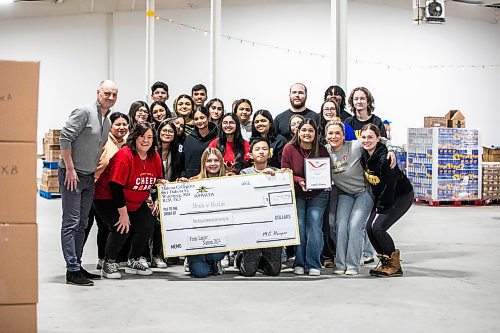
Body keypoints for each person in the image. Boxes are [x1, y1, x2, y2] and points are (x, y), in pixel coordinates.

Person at [59, 80, 117, 286]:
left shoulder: (107, 122)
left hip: (88, 177)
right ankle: (72, 269)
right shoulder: (84, 112)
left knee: (83, 223)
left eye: (114, 95)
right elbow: (65, 138)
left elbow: (98, 148)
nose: (110, 97)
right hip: (71, 175)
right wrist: (71, 169)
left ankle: (77, 264)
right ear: (98, 92)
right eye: (106, 93)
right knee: (71, 222)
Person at [93, 122, 164, 279]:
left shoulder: (154, 156)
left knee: (147, 226)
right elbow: (115, 186)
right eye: (142, 136)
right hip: (108, 197)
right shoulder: (125, 155)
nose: (145, 140)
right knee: (121, 227)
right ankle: (108, 262)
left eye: (149, 137)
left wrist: (158, 196)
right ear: (134, 137)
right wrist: (123, 214)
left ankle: (134, 259)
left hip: (135, 199)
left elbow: (157, 180)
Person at [360, 124, 413, 277]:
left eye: (370, 137)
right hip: (382, 195)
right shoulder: (364, 154)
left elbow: (389, 188)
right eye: (363, 137)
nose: (366, 140)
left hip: (400, 195)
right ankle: (385, 263)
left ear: (378, 139)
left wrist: (380, 210)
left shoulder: (386, 159)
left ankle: (395, 266)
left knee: (378, 227)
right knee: (369, 228)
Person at [281, 119, 329, 276]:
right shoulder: (289, 149)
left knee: (314, 227)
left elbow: (326, 172)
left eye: (311, 130)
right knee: (300, 227)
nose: (307, 133)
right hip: (298, 193)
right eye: (304, 130)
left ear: (316, 133)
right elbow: (285, 171)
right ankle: (299, 263)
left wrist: (327, 180)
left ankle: (313, 263)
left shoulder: (321, 150)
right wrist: (299, 181)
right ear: (298, 132)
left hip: (318, 194)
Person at [83, 112, 129, 270]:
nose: (121, 127)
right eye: (118, 124)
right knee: (87, 226)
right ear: (111, 127)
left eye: (124, 124)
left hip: (112, 193)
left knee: (105, 227)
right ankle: (76, 263)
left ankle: (103, 258)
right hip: (94, 190)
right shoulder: (103, 141)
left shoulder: (126, 144)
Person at [235, 138, 283, 277]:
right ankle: (240, 257)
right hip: (251, 226)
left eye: (264, 149)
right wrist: (262, 179)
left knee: (274, 271)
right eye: (257, 149)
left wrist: (279, 177)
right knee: (249, 271)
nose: (261, 152)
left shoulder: (278, 172)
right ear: (250, 155)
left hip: (272, 226)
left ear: (270, 153)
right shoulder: (245, 173)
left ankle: (261, 260)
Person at [183, 147, 227, 278]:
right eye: (209, 161)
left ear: (221, 162)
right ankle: (193, 258)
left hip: (217, 233)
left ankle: (214, 261)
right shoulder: (194, 181)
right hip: (197, 235)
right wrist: (181, 186)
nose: (212, 164)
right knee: (201, 273)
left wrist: (267, 174)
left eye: (216, 160)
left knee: (215, 255)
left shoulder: (230, 180)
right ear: (203, 163)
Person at [183, 106, 218, 178]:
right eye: (196, 119)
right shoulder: (189, 139)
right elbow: (184, 161)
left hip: (212, 179)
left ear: (208, 118)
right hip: (192, 179)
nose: (199, 121)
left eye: (202, 118)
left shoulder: (217, 137)